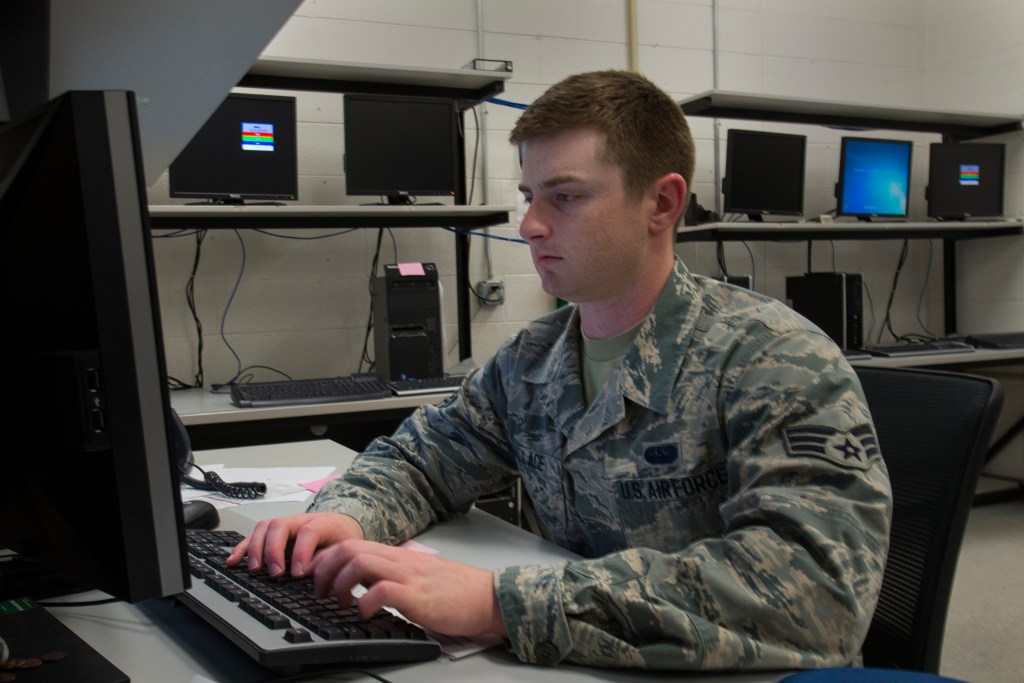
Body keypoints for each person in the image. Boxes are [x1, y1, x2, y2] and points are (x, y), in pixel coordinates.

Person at [229, 70, 892, 671]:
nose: (529, 226)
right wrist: (346, 518)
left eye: (565, 197)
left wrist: (503, 603)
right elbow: (423, 461)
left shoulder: (773, 358)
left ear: (662, 204)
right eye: (528, 197)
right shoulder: (533, 359)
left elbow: (816, 594)